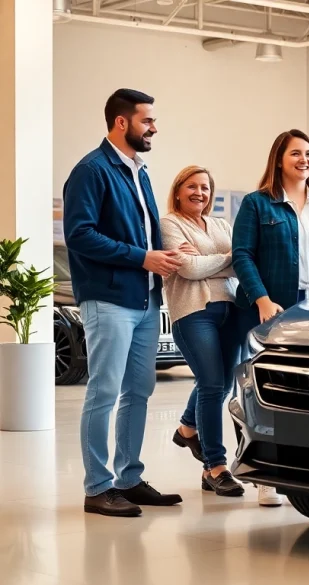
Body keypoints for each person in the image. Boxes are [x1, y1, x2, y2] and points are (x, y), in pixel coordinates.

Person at [63, 88, 185, 517]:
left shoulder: (140, 171)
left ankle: (129, 478)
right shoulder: (91, 171)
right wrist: (142, 258)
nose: (154, 127)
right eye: (147, 120)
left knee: (140, 390)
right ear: (121, 123)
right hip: (110, 299)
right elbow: (79, 234)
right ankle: (98, 487)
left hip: (146, 298)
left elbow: (148, 233)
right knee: (104, 391)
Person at [231, 129, 309, 506]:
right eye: (295, 154)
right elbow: (243, 256)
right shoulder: (258, 204)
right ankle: (267, 476)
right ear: (279, 160)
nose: (304, 159)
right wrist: (262, 299)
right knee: (272, 392)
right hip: (273, 309)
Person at [160, 165, 246, 497]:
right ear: (179, 190)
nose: (200, 193)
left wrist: (216, 259)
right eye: (192, 186)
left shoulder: (221, 224)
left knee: (222, 384)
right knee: (212, 384)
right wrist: (225, 258)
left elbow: (241, 261)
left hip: (231, 312)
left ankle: (186, 429)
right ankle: (215, 467)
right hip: (194, 313)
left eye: (206, 188)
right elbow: (189, 269)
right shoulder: (169, 223)